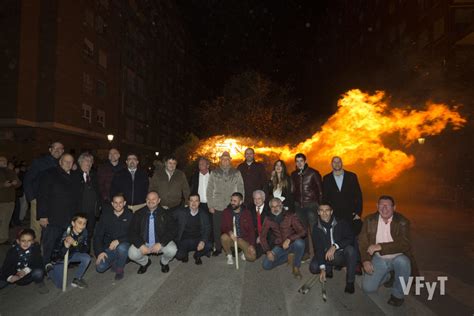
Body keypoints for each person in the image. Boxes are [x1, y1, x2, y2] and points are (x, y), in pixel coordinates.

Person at [359, 195, 418, 306]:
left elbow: (405, 244)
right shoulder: (369, 220)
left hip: (398, 257)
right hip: (379, 258)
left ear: (394, 207)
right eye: (381, 205)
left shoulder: (402, 221)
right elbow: (363, 242)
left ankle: (398, 295)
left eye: (388, 205)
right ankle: (389, 276)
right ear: (377, 206)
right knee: (368, 288)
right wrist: (366, 260)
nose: (384, 208)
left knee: (403, 262)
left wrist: (381, 246)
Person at [37, 153, 78, 264]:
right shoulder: (49, 174)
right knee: (49, 245)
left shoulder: (74, 176)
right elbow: (42, 196)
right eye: (66, 161)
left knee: (62, 245)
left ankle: (58, 267)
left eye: (71, 162)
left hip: (68, 217)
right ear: (60, 162)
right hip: (52, 217)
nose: (68, 164)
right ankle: (43, 268)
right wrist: (42, 215)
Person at [309, 203, 357, 294]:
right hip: (325, 253)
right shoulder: (316, 227)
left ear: (331, 211)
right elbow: (318, 248)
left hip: (341, 252)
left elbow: (351, 237)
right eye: (321, 210)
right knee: (314, 267)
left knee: (351, 250)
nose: (324, 213)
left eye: (327, 210)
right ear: (318, 212)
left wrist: (335, 246)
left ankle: (350, 282)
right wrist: (322, 269)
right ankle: (328, 268)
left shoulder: (341, 222)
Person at [128, 191, 177, 274]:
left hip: (160, 242)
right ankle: (145, 262)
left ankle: (164, 262)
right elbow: (132, 231)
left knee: (172, 250)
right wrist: (140, 245)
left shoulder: (166, 213)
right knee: (132, 254)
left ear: (159, 200)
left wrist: (161, 243)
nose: (151, 201)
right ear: (146, 200)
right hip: (144, 242)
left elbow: (173, 230)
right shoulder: (138, 214)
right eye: (148, 199)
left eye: (154, 199)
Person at [23, 141, 64, 241]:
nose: (58, 150)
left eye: (60, 149)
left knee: (50, 228)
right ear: (50, 150)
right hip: (39, 199)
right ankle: (34, 252)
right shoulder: (39, 162)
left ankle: (46, 252)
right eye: (55, 148)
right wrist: (32, 198)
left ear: (63, 151)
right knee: (37, 227)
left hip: (54, 201)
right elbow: (28, 179)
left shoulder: (62, 163)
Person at [207, 151, 244, 256]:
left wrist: (240, 203)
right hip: (217, 205)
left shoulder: (236, 172)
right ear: (220, 160)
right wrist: (210, 205)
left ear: (230, 160)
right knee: (217, 228)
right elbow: (209, 189)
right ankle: (218, 248)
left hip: (231, 205)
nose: (225, 161)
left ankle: (232, 247)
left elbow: (241, 188)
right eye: (223, 159)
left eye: (227, 159)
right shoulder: (214, 173)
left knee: (232, 227)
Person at [260, 198, 306, 279]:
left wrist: (289, 239)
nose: (275, 209)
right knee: (266, 265)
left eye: (277, 206)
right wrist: (267, 251)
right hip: (279, 246)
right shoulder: (268, 219)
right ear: (270, 208)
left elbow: (303, 232)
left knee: (300, 243)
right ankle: (287, 257)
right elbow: (262, 237)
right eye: (272, 207)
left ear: (281, 206)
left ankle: (296, 266)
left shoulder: (290, 216)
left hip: (293, 243)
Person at [94, 193, 133, 280]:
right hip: (109, 247)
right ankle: (121, 259)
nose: (118, 205)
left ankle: (120, 269)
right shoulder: (105, 216)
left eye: (120, 202)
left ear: (124, 203)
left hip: (125, 244)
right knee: (100, 268)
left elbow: (134, 234)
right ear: (112, 203)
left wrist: (119, 240)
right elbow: (98, 235)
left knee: (122, 248)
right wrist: (99, 252)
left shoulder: (130, 216)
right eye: (115, 202)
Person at [291, 153, 322, 258]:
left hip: (311, 205)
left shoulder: (313, 173)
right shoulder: (294, 174)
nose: (299, 163)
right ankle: (306, 253)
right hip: (299, 207)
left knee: (314, 230)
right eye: (297, 161)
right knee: (302, 231)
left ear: (305, 161)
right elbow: (293, 191)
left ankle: (318, 253)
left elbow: (320, 191)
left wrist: (320, 206)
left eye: (301, 161)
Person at [48, 213, 91, 289]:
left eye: (84, 223)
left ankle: (76, 279)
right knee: (61, 286)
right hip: (60, 259)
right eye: (79, 223)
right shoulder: (64, 234)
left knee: (86, 258)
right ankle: (50, 269)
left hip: (73, 254)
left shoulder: (84, 232)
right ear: (73, 223)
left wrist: (75, 243)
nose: (82, 226)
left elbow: (86, 249)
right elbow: (56, 256)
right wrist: (65, 246)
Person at [0, 229, 48, 294]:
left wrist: (26, 270)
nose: (26, 243)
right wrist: (10, 277)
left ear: (33, 241)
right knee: (2, 276)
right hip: (15, 275)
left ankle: (39, 282)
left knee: (39, 272)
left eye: (29, 241)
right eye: (23, 241)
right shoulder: (12, 252)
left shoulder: (35, 250)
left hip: (29, 274)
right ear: (18, 241)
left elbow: (39, 264)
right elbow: (6, 266)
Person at [73, 152, 100, 252]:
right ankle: (75, 254)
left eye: (90, 161)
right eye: (86, 161)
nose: (88, 163)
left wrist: (99, 206)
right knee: (78, 233)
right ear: (80, 162)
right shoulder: (75, 175)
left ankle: (86, 252)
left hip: (92, 211)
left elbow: (98, 192)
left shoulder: (93, 176)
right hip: (79, 211)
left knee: (89, 233)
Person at [174, 194, 212, 265]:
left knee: (209, 245)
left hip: (197, 239)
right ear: (188, 202)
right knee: (179, 256)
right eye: (191, 201)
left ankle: (197, 255)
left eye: (196, 201)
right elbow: (169, 219)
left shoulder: (204, 214)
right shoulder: (181, 212)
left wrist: (203, 241)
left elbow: (207, 229)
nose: (194, 203)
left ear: (199, 202)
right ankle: (184, 254)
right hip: (184, 240)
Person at [220, 192, 256, 264]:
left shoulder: (247, 213)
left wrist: (252, 245)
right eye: (231, 200)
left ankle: (243, 251)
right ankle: (229, 255)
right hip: (231, 238)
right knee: (224, 237)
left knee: (252, 258)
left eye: (235, 201)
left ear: (241, 202)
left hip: (243, 239)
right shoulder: (226, 212)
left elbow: (251, 230)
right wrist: (230, 232)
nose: (232, 203)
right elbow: (223, 227)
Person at [0, 156, 21, 244]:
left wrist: (16, 183)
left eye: (5, 160)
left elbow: (19, 183)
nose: (3, 162)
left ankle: (3, 238)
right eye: (1, 160)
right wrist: (3, 185)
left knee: (6, 220)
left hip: (10, 200)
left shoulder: (10, 171)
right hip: (1, 200)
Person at [249, 190, 270, 258]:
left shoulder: (269, 209)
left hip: (267, 234)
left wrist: (261, 236)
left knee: (255, 255)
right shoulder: (250, 209)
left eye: (259, 198)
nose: (256, 201)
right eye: (255, 199)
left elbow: (271, 227)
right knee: (251, 255)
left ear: (263, 199)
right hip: (255, 234)